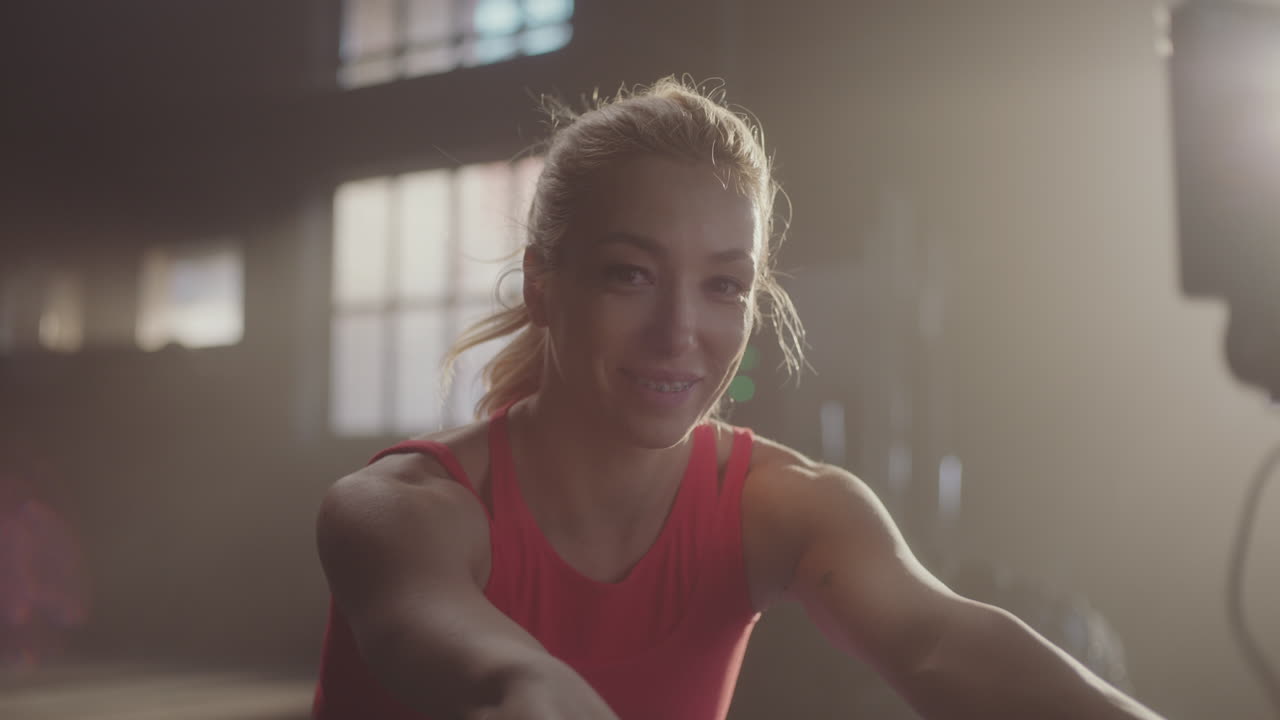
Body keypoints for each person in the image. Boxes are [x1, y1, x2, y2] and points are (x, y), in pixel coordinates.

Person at [311, 77, 1165, 719]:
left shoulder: (782, 506)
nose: (678, 332)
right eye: (629, 274)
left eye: (724, 285)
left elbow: (939, 641)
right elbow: (517, 682)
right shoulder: (398, 511)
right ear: (542, 282)